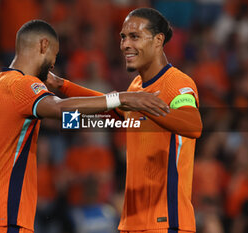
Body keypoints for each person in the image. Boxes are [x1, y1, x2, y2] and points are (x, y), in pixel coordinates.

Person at [0, 19, 170, 233]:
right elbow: (60, 109)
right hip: (5, 216)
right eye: (55, 55)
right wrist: (120, 98)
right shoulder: (22, 84)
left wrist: (3, 144)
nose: (53, 63)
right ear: (43, 46)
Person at [46, 8, 203, 233]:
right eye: (123, 37)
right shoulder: (136, 87)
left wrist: (146, 108)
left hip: (166, 221)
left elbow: (194, 125)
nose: (125, 44)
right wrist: (62, 86)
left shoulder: (177, 83)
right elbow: (113, 108)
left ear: (158, 40)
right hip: (132, 223)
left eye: (134, 37)